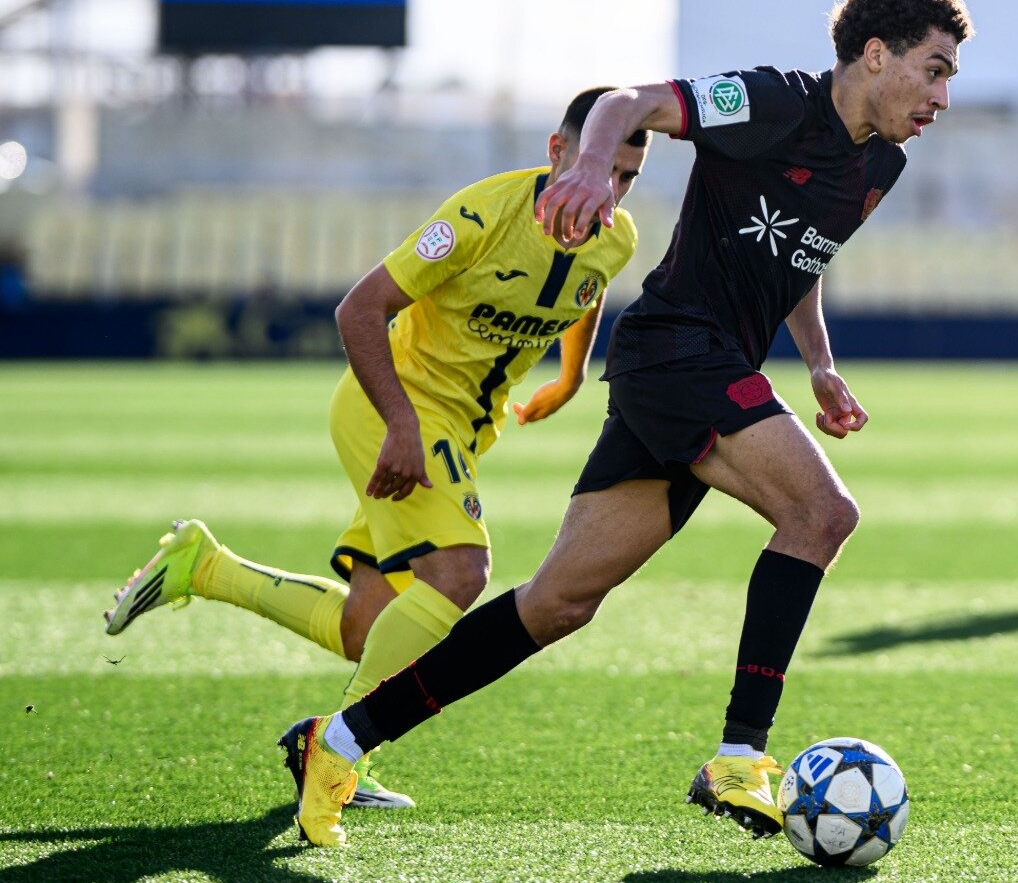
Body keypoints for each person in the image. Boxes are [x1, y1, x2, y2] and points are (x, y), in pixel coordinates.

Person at [276, 0, 973, 848]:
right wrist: (593, 166)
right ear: (876, 55)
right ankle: (739, 755)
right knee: (822, 512)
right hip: (678, 352)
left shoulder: (883, 164)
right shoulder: (767, 101)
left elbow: (802, 256)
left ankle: (338, 743)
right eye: (937, 68)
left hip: (692, 374)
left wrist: (821, 364)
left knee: (558, 604)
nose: (945, 95)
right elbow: (624, 103)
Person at [106, 89, 648, 809]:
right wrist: (400, 425)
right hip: (395, 406)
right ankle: (335, 750)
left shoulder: (618, 236)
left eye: (626, 176)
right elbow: (358, 308)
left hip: (456, 427)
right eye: (597, 166)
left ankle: (204, 567)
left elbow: (591, 285)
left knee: (369, 629)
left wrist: (571, 375)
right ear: (557, 153)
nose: (607, 190)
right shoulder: (482, 216)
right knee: (460, 571)